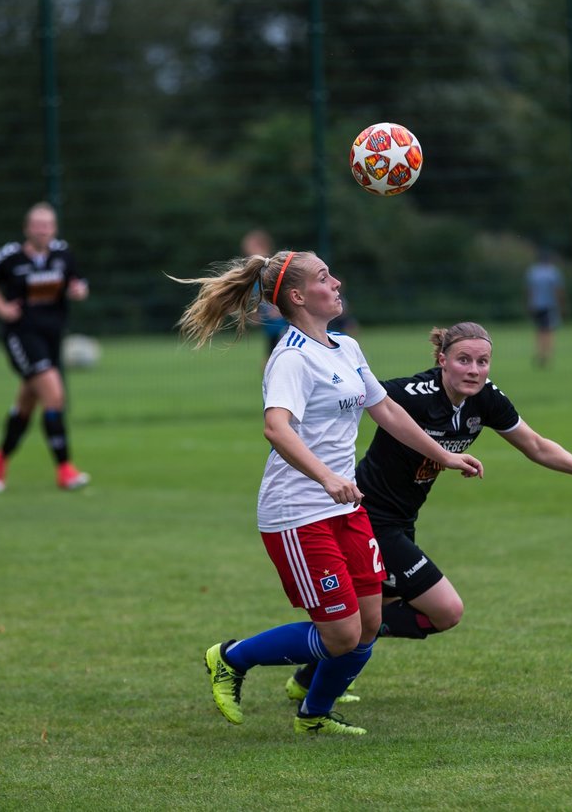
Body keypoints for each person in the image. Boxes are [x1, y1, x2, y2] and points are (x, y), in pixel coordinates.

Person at [172, 250, 484, 736]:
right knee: (340, 634)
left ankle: (313, 715)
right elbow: (277, 429)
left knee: (368, 621)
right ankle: (230, 657)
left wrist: (443, 455)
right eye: (324, 277)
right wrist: (326, 477)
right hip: (298, 513)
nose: (336, 282)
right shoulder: (292, 358)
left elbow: (389, 413)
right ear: (298, 297)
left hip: (346, 506)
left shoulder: (345, 347)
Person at [285, 321, 572, 701]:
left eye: (482, 361)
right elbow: (359, 400)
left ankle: (311, 678)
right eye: (463, 360)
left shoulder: (486, 400)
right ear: (442, 360)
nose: (474, 370)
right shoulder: (412, 394)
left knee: (375, 614)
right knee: (445, 610)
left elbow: (534, 444)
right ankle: (288, 654)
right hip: (371, 517)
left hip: (403, 519)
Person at [0, 201, 90, 492]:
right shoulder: (10, 256)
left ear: (54, 229)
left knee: (28, 402)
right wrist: (2, 308)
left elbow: (78, 283)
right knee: (54, 396)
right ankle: (65, 470)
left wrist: (79, 290)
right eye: (37, 226)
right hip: (21, 336)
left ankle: (0, 457)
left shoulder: (63, 254)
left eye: (47, 226)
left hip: (51, 336)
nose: (42, 231)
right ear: (27, 229)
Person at [239, 229, 289, 363]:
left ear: (261, 246)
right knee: (269, 365)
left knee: (273, 364)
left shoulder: (271, 270)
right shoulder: (256, 273)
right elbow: (263, 300)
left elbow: (287, 293)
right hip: (271, 328)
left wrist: (280, 310)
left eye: (249, 248)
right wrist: (257, 314)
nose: (247, 253)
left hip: (283, 326)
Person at [526, 248, 566, 368]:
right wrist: (562, 304)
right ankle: (547, 355)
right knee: (549, 330)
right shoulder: (553, 272)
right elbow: (558, 290)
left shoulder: (533, 272)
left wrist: (529, 304)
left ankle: (540, 353)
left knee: (539, 330)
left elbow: (530, 290)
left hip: (536, 305)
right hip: (549, 305)